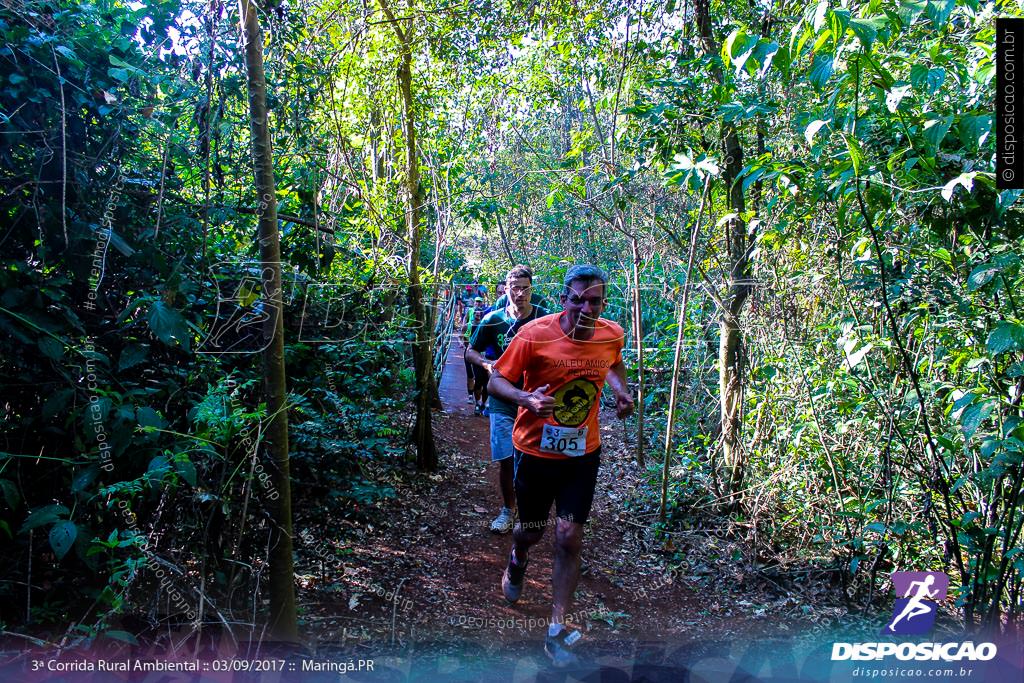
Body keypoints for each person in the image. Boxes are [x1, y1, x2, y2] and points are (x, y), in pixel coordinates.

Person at [488, 264, 634, 668]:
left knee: (569, 536)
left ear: (603, 302)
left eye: (595, 301)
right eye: (578, 299)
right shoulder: (535, 334)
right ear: (564, 298)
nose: (586, 308)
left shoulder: (611, 334)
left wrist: (622, 393)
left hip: (582, 454)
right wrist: (526, 399)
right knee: (530, 532)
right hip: (534, 452)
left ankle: (556, 628)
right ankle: (517, 558)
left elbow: (614, 364)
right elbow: (496, 380)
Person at [466, 265, 548, 534]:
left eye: (525, 287)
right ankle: (507, 510)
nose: (520, 293)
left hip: (535, 399)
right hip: (502, 395)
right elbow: (470, 350)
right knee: (506, 456)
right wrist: (487, 365)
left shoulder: (544, 321)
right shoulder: (493, 320)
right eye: (515, 287)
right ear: (506, 288)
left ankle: (532, 511)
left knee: (535, 458)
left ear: (531, 289)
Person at [463, 305, 488, 414]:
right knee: (476, 379)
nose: (478, 316)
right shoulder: (469, 326)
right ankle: (477, 403)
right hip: (473, 355)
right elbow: (462, 336)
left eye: (479, 314)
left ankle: (483, 403)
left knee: (487, 384)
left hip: (487, 356)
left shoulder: (486, 326)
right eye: (476, 314)